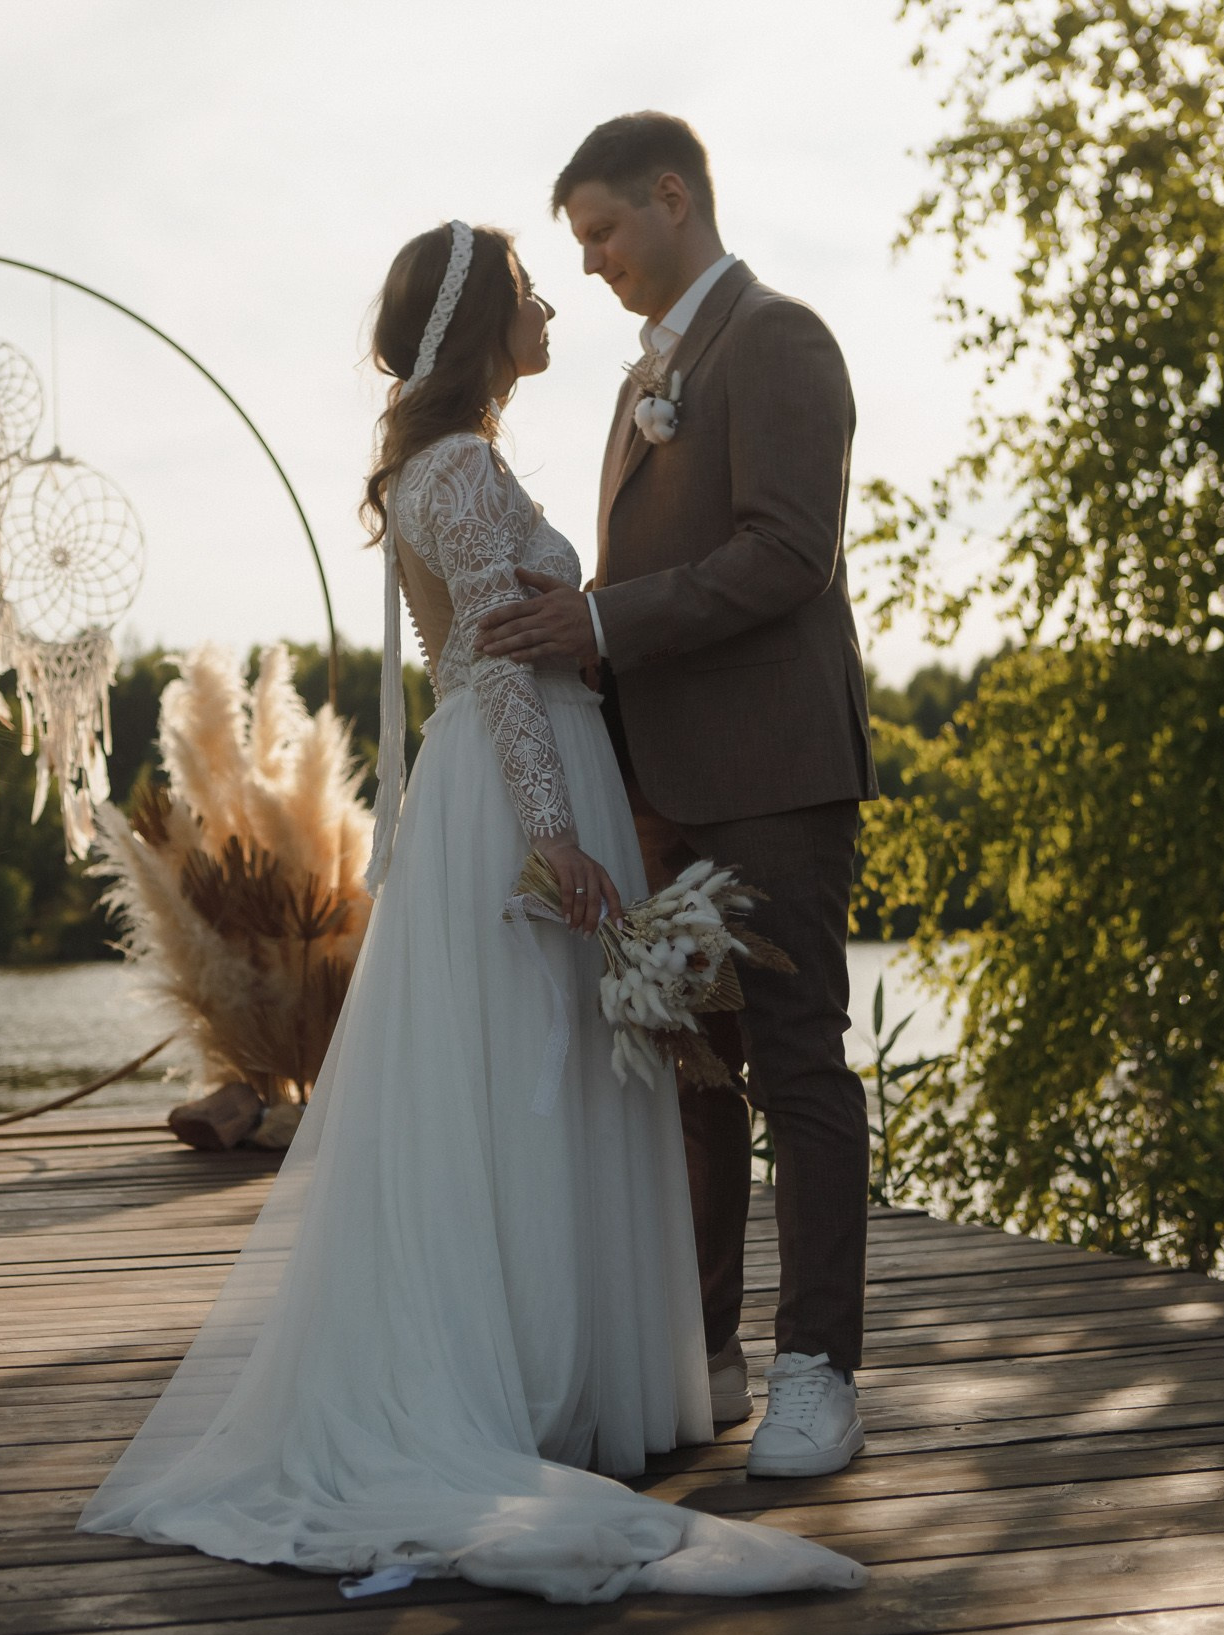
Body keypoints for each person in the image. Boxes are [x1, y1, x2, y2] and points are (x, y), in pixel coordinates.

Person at [76, 218, 864, 1604]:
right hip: (522, 798)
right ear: (476, 327)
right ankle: (538, 1387)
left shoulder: (444, 463)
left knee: (551, 1079)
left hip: (530, 789)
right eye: (526, 292)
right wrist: (557, 841)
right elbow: (499, 669)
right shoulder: (457, 471)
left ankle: (584, 1375)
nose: (552, 305)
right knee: (540, 1084)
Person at [476, 112, 879, 1480]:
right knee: (694, 1078)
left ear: (672, 194)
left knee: (795, 1061)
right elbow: (638, 586)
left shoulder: (779, 341)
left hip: (775, 773)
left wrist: (602, 619)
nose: (589, 264)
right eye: (576, 242)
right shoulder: (640, 380)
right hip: (664, 787)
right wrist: (572, 613)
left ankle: (821, 1370)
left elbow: (786, 557)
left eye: (601, 231)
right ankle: (705, 1351)